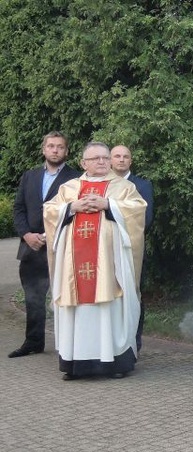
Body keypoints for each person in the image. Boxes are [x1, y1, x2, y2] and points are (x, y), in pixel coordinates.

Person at [43, 142, 146, 380]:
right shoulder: (69, 188)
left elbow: (138, 211)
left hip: (110, 267)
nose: (101, 162)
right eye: (95, 158)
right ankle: (75, 364)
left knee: (108, 309)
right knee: (77, 312)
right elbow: (49, 211)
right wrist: (71, 207)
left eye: (104, 158)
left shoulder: (123, 187)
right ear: (83, 163)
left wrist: (109, 205)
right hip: (73, 268)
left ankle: (115, 364)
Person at [9, 131, 78, 358]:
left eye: (60, 146)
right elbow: (19, 209)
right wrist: (26, 234)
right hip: (31, 248)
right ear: (44, 149)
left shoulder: (76, 179)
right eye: (51, 146)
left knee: (66, 297)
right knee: (34, 298)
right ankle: (33, 342)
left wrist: (50, 236)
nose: (55, 150)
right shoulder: (30, 176)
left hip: (60, 247)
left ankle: (68, 345)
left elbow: (75, 214)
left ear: (66, 151)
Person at [111, 145, 154, 352]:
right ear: (110, 160)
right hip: (106, 251)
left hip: (131, 250)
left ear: (131, 161)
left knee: (134, 294)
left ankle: (133, 343)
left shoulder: (142, 185)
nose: (121, 160)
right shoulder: (103, 185)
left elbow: (146, 218)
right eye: (117, 156)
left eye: (125, 156)